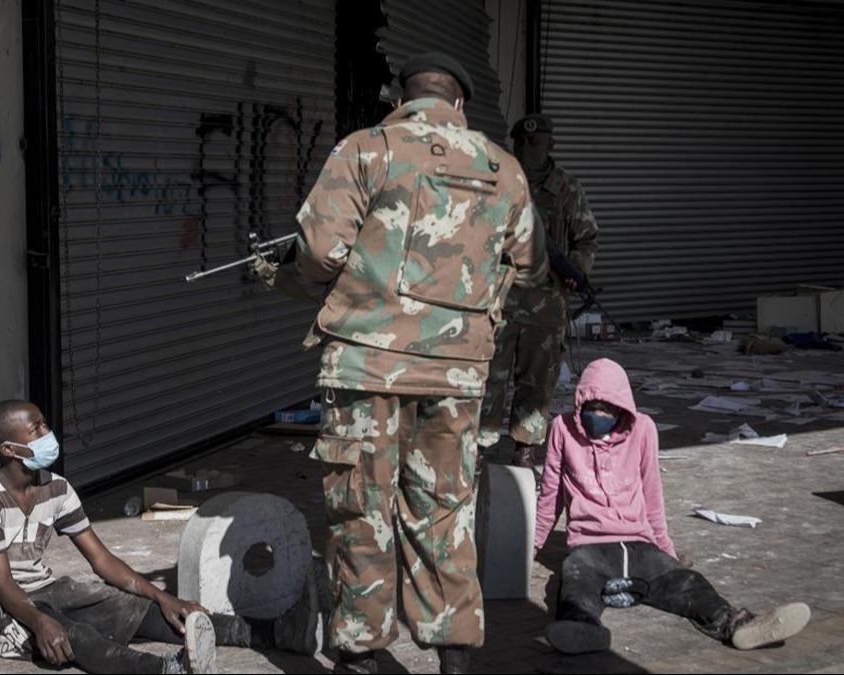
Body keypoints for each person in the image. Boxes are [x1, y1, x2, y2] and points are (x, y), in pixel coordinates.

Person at [282, 52, 545, 674]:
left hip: (367, 367)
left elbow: (319, 251)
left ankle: (363, 656)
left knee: (361, 509)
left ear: (402, 97)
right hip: (460, 372)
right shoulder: (502, 167)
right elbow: (530, 271)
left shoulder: (367, 147)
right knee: (445, 512)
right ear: (460, 104)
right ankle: (453, 656)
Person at [0, 400, 318, 674]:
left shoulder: (57, 488)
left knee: (137, 609)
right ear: (9, 449)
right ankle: (163, 670)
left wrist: (164, 598)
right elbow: (2, 585)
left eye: (45, 424)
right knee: (72, 633)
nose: (48, 434)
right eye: (36, 430)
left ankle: (274, 634)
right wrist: (39, 622)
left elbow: (103, 561)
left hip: (44, 588)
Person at [535, 358, 810, 655]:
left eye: (606, 409)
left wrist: (666, 550)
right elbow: (549, 497)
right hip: (589, 548)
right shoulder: (562, 429)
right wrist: (530, 548)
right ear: (580, 403)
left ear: (621, 409)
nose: (598, 415)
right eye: (591, 408)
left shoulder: (643, 429)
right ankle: (584, 631)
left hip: (640, 544)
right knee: (575, 587)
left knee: (688, 583)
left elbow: (653, 496)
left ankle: (738, 624)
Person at [479, 113, 599, 468]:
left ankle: (525, 445)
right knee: (490, 374)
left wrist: (574, 270)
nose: (530, 148)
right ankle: (482, 441)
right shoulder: (497, 184)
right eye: (523, 142)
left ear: (551, 144)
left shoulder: (567, 189)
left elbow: (588, 239)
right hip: (499, 297)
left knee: (537, 378)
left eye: (537, 141)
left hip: (546, 303)